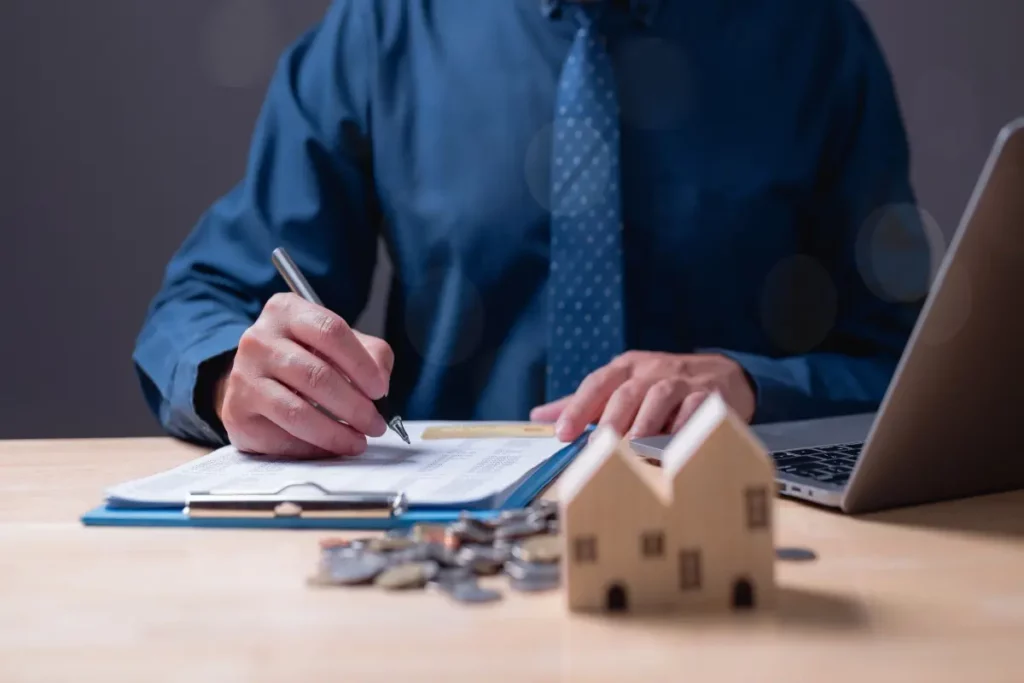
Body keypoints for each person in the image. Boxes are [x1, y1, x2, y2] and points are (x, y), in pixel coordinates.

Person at [133, 0, 930, 459]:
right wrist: (234, 377)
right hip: (446, 552)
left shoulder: (813, 35)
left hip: (736, 541)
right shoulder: (384, 28)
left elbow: (906, 367)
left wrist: (752, 385)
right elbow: (203, 305)